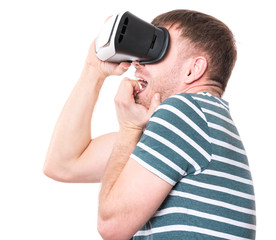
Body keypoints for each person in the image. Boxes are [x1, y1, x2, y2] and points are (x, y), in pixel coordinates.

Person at [43, 9, 256, 240]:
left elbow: (112, 226)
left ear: (193, 69)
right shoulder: (201, 124)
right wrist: (94, 70)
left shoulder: (184, 112)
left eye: (157, 47)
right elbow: (63, 164)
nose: (138, 62)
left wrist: (129, 130)